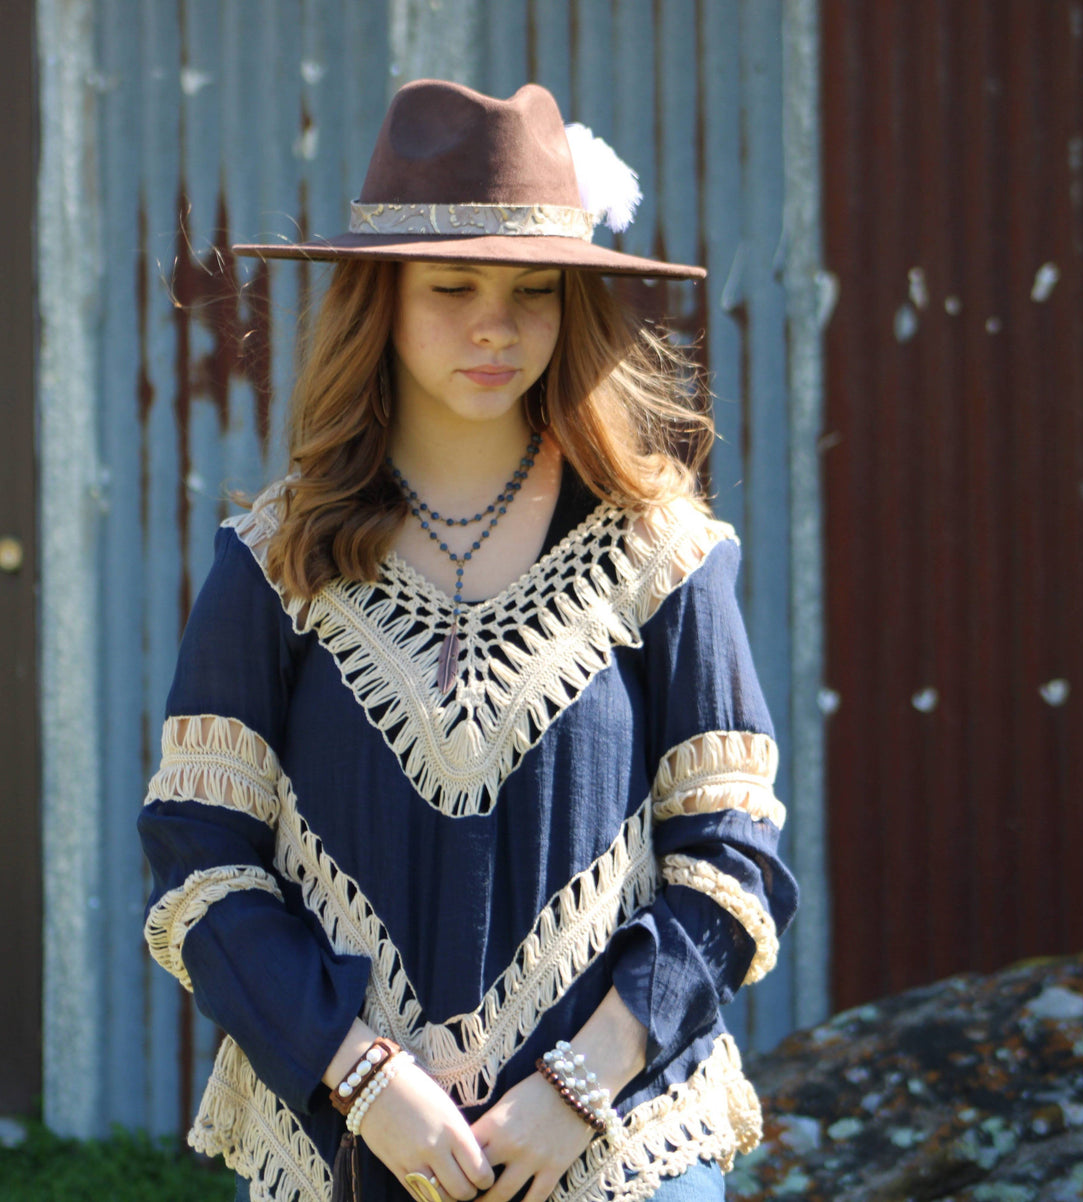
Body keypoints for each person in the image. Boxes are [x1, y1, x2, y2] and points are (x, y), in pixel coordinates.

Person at [138, 79, 797, 1202]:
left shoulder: (664, 555)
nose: (497, 325)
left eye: (534, 291)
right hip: (340, 1149)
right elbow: (203, 864)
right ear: (380, 300)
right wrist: (361, 1076)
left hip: (619, 1147)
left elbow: (731, 861)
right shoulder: (276, 562)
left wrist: (580, 1087)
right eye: (452, 287)